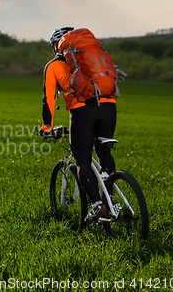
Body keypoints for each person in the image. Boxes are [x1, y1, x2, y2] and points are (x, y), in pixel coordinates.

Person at [39, 26, 117, 223]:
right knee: (104, 151)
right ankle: (110, 199)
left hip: (83, 112)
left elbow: (48, 99)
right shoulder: (92, 59)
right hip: (109, 106)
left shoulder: (53, 66)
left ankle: (96, 205)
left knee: (83, 161)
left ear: (57, 46)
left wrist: (47, 127)